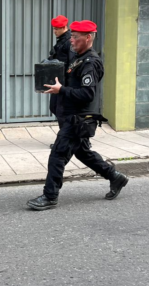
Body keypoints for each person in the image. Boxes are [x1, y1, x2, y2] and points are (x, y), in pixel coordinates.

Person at [27, 20, 129, 211]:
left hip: (78, 119)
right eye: (71, 36)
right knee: (83, 152)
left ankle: (50, 196)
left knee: (57, 155)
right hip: (71, 116)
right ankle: (115, 177)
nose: (71, 40)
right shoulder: (77, 58)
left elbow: (87, 94)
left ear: (88, 38)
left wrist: (62, 90)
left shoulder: (91, 63)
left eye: (75, 37)